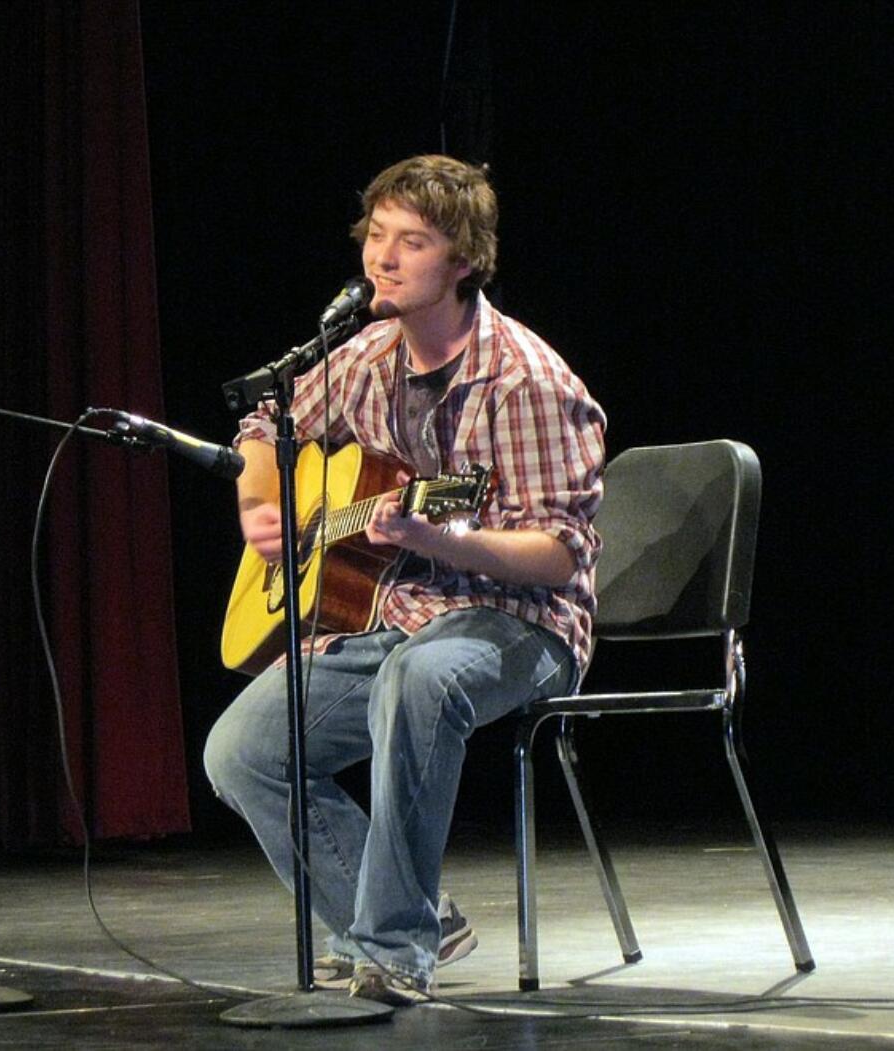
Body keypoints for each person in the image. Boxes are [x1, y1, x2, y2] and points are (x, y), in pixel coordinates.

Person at [204, 155, 607, 1006]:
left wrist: (444, 542)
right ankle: (414, 915)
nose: (382, 259)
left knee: (417, 678)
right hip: (405, 613)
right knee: (243, 750)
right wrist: (259, 504)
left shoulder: (527, 381)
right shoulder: (366, 356)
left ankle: (392, 947)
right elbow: (265, 421)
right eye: (376, 237)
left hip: (522, 623)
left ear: (463, 260)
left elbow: (562, 552)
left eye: (411, 242)